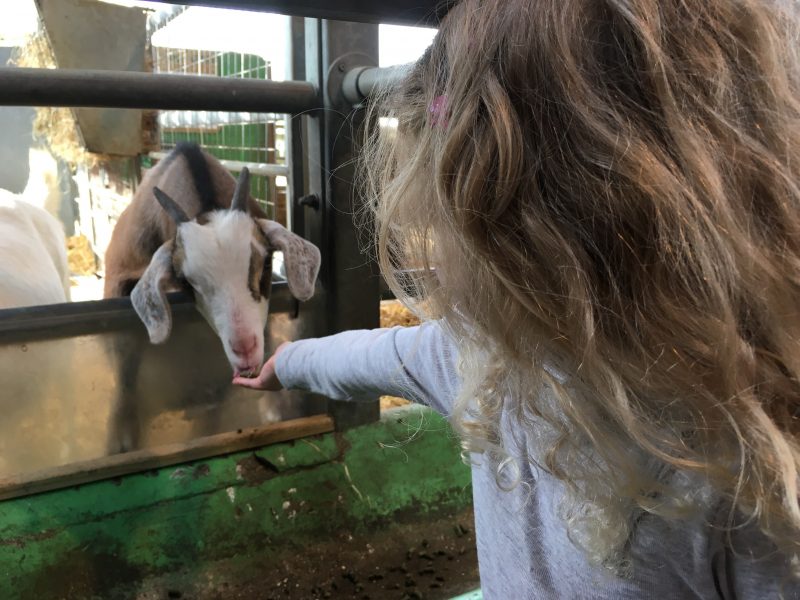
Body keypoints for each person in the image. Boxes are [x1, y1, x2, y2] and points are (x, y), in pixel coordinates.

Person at [235, 0, 800, 597]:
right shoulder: (489, 353)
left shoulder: (750, 471)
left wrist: (286, 365)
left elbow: (380, 355)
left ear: (504, 233)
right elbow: (371, 356)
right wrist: (287, 363)